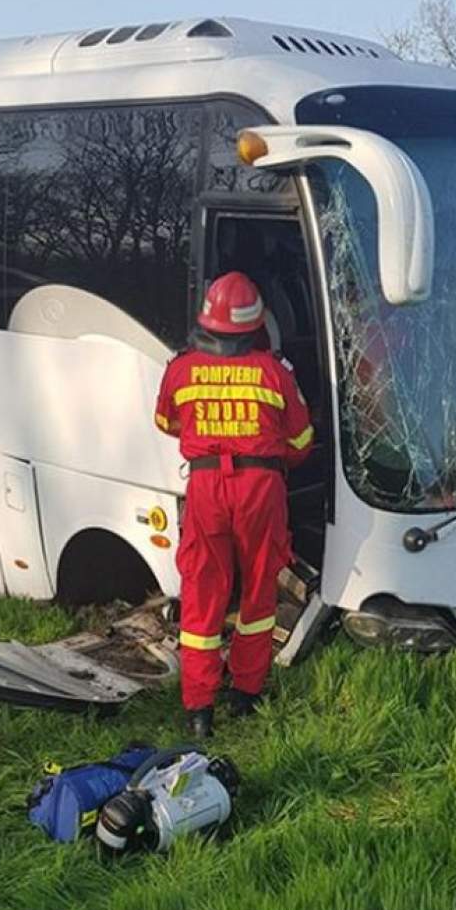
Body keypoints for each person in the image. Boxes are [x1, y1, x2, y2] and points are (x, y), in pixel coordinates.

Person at [155, 271, 314, 738]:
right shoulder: (275, 371)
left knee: (203, 593)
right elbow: (302, 440)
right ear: (256, 323)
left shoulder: (181, 369)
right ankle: (246, 693)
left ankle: (199, 708)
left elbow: (165, 421)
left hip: (206, 489)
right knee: (258, 591)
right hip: (261, 488)